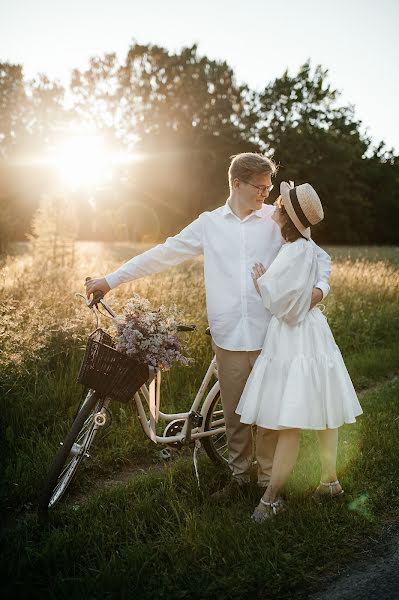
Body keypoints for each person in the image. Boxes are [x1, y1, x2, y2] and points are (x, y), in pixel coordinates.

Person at [85, 153, 332, 495]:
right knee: (235, 416)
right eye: (260, 187)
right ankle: (239, 478)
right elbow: (163, 253)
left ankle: (267, 485)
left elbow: (316, 256)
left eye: (269, 186)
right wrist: (111, 279)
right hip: (228, 335)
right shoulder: (209, 224)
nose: (266, 192)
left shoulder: (276, 219)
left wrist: (318, 293)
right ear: (237, 184)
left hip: (272, 334)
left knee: (270, 414)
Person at [236, 181, 363, 522]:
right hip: (315, 333)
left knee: (288, 420)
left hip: (293, 338)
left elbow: (284, 306)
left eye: (278, 205)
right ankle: (330, 480)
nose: (274, 208)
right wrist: (313, 295)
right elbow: (321, 273)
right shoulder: (309, 247)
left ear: (287, 216)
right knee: (324, 406)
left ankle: (271, 498)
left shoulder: (293, 252)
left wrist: (261, 282)